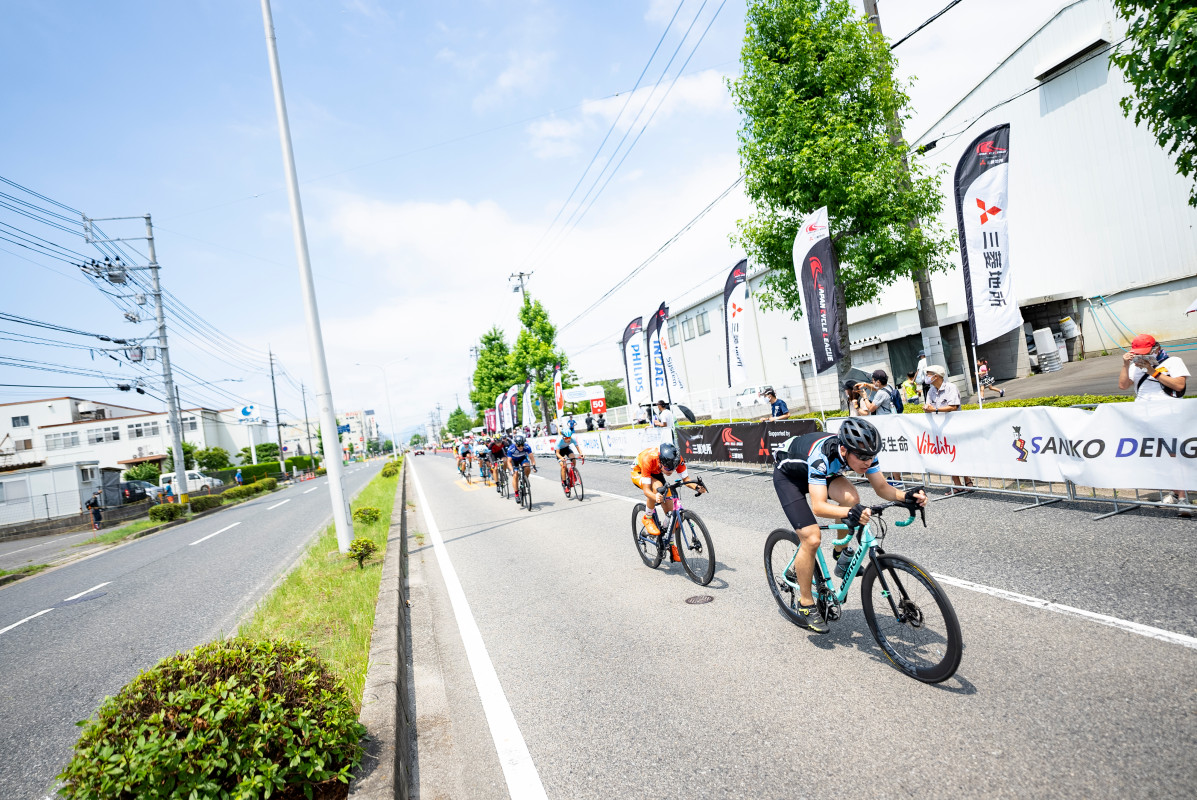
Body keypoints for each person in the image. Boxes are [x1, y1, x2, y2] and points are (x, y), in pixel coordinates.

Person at [771, 417, 927, 633]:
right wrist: (850, 513)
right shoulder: (821, 456)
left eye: (871, 456)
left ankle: (840, 553)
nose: (868, 462)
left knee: (852, 498)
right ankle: (806, 603)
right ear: (844, 450)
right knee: (812, 537)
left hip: (823, 474)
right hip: (789, 477)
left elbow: (881, 487)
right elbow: (818, 506)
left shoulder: (866, 453)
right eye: (862, 457)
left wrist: (906, 496)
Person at [1118, 333, 1190, 515]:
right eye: (1138, 353)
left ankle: (1182, 498)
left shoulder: (1173, 361)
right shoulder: (1136, 366)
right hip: (1144, 416)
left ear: (1156, 348)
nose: (1141, 356)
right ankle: (1174, 494)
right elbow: (1123, 385)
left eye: (1145, 352)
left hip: (1169, 414)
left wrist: (1153, 371)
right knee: (1161, 457)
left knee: (1174, 455)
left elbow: (1179, 386)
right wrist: (1126, 364)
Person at [631, 442, 706, 537]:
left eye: (673, 468)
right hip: (639, 471)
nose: (670, 471)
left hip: (656, 471)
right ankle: (648, 517)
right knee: (657, 486)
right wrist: (655, 496)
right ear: (660, 462)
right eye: (668, 468)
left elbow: (686, 480)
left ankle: (670, 543)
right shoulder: (648, 459)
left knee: (671, 514)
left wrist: (697, 488)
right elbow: (647, 491)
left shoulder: (676, 459)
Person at [924, 364, 974, 494]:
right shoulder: (930, 390)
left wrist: (934, 409)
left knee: (959, 454)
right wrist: (927, 408)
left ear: (936, 376)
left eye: (929, 374)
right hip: (940, 429)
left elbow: (953, 407)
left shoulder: (951, 387)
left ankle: (968, 481)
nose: (927, 377)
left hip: (955, 427)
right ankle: (957, 485)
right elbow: (928, 405)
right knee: (948, 456)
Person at [505, 433, 537, 502]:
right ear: (515, 444)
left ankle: (525, 479)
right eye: (519, 445)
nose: (521, 447)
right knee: (515, 474)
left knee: (527, 467)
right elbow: (508, 462)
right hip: (514, 461)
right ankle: (516, 494)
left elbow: (532, 458)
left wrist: (534, 466)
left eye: (522, 445)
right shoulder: (511, 449)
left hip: (522, 459)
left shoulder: (527, 447)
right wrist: (511, 470)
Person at [556, 419, 584, 493]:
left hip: (566, 449)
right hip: (560, 452)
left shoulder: (572, 439)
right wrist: (562, 458)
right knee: (564, 465)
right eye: (566, 438)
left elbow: (578, 448)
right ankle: (565, 484)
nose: (568, 439)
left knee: (573, 458)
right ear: (563, 437)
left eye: (569, 437)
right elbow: (557, 453)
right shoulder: (559, 441)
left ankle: (573, 471)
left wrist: (581, 454)